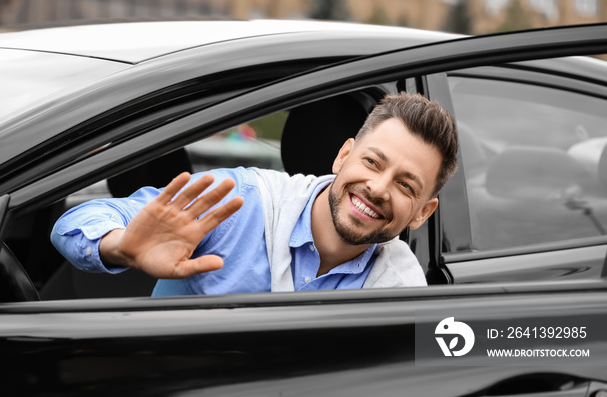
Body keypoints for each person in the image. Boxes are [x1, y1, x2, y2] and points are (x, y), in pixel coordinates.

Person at [51, 92, 458, 296]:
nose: (378, 188)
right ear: (343, 156)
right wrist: (123, 247)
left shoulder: (401, 289)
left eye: (406, 185)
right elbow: (74, 224)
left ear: (423, 213)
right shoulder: (238, 201)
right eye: (372, 162)